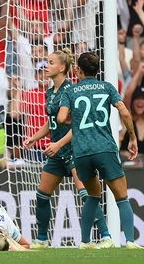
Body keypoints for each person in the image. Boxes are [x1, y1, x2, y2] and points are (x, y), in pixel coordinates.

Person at [23, 49, 113, 249]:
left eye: (51, 62)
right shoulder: (50, 92)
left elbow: (77, 125)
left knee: (87, 195)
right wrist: (34, 138)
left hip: (74, 150)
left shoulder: (71, 91)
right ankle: (42, 239)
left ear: (62, 67)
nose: (47, 66)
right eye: (47, 62)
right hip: (57, 154)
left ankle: (105, 236)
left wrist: (58, 144)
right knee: (42, 195)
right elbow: (52, 122)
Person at [58, 52, 143, 249]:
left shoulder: (71, 91)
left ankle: (85, 242)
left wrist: (76, 121)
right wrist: (132, 137)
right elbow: (123, 111)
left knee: (93, 196)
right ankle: (130, 241)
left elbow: (61, 119)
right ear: (98, 70)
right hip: (105, 148)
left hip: (81, 152)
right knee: (121, 197)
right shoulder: (107, 87)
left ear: (78, 70)